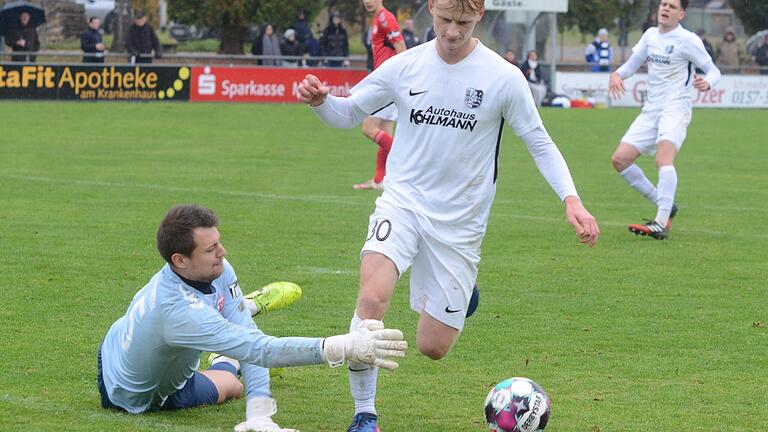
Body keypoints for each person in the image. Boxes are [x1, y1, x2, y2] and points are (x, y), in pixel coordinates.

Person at [297, 0, 600, 429]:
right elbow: (346, 114)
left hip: (459, 224)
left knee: (432, 346)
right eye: (444, 20)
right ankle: (365, 415)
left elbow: (539, 141)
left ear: (479, 18)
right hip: (401, 203)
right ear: (431, 11)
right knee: (371, 299)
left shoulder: (502, 77)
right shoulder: (406, 66)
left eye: (463, 22)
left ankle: (463, 295)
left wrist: (572, 199)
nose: (453, 31)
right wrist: (319, 101)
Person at [98, 204, 406, 432]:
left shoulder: (214, 269)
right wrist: (344, 345)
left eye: (218, 241)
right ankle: (234, 313)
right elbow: (261, 350)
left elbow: (251, 339)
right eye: (211, 249)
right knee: (233, 384)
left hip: (123, 344)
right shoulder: (177, 310)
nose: (223, 251)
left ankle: (236, 311)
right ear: (180, 260)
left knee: (239, 345)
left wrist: (259, 414)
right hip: (138, 396)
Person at [608, 0, 721, 240]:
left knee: (663, 160)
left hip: (676, 108)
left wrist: (708, 82)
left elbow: (714, 70)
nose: (665, 8)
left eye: (672, 6)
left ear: (681, 14)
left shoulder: (688, 40)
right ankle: (666, 204)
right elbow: (630, 66)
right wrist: (617, 75)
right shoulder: (650, 36)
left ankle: (661, 222)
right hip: (651, 110)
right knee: (620, 160)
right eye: (663, 4)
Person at [353, 0, 407, 191]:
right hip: (390, 83)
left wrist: (401, 79)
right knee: (384, 129)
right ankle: (380, 180)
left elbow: (401, 48)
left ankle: (409, 160)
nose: (367, 1)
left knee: (368, 128)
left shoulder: (385, 18)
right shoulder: (378, 19)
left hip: (387, 83)